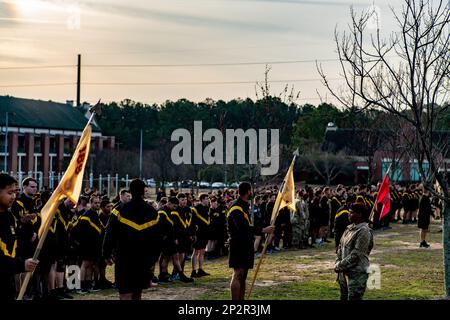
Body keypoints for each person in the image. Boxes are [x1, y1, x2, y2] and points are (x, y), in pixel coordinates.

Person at [103, 179, 162, 300]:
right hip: (143, 259)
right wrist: (153, 259)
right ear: (143, 191)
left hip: (124, 258)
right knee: (137, 292)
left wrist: (106, 253)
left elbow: (109, 234)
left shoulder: (119, 210)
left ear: (130, 191)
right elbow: (157, 238)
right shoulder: (152, 212)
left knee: (125, 293)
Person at [227, 182, 274, 300]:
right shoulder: (236, 207)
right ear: (248, 191)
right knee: (238, 274)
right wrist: (263, 230)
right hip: (239, 245)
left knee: (243, 276)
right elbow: (242, 228)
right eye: (251, 190)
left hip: (246, 244)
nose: (252, 193)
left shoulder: (244, 206)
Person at [0, 174, 39, 300]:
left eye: (15, 192)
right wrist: (21, 265)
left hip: (7, 279)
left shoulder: (9, 216)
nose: (13, 196)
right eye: (9, 192)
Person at [335, 202, 374, 300]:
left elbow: (357, 254)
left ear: (359, 214)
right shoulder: (349, 228)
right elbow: (340, 247)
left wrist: (340, 265)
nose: (349, 214)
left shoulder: (363, 231)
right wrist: (338, 261)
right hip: (344, 272)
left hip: (356, 274)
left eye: (351, 212)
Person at [190, 194, 211, 278]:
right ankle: (193, 271)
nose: (208, 200)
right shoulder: (196, 209)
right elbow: (192, 222)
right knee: (196, 252)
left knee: (202, 251)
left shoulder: (207, 208)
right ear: (202, 199)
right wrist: (193, 233)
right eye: (206, 199)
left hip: (205, 233)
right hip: (198, 233)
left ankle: (201, 269)